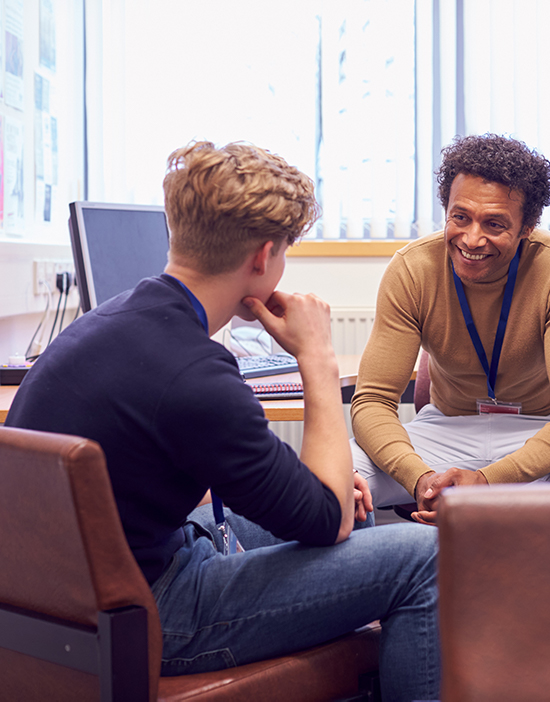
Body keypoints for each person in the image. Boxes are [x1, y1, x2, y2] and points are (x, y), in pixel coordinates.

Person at [6, 141, 439, 701]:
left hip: (75, 592)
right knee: (423, 558)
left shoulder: (112, 319)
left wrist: (326, 500)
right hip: (153, 612)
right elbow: (325, 519)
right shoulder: (195, 375)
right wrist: (318, 358)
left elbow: (308, 501)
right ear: (263, 258)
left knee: (358, 516)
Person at [351, 133, 550, 525]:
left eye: (494, 223)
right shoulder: (413, 269)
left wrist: (488, 480)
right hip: (446, 430)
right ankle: (382, 581)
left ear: (527, 226)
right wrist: (421, 479)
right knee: (338, 475)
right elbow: (372, 402)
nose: (472, 238)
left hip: (539, 430)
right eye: (460, 217)